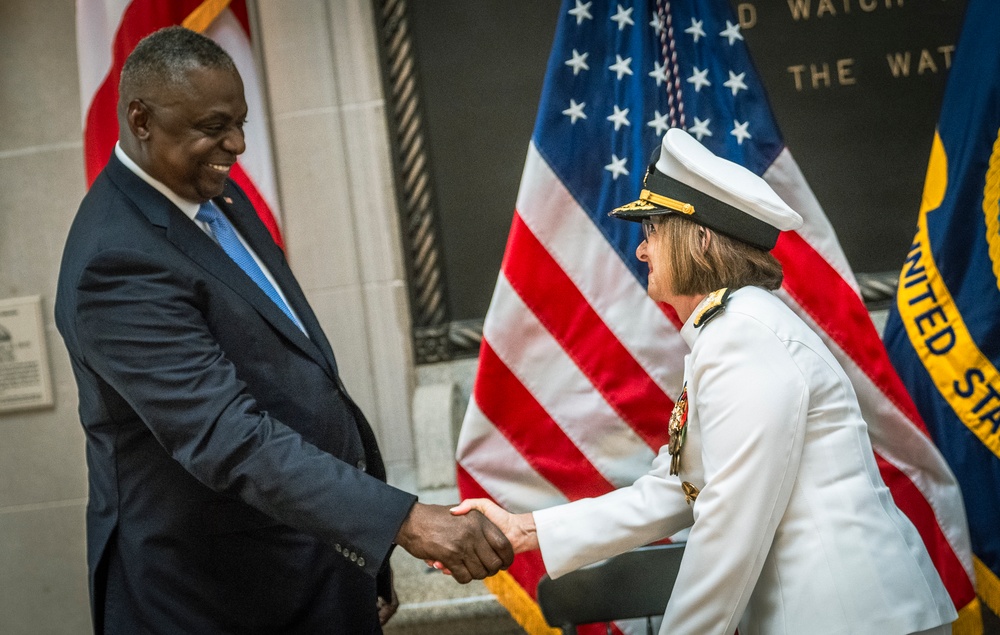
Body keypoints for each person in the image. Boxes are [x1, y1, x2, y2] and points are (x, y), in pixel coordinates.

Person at [55, 26, 512, 634]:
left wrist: (361, 557)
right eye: (215, 127)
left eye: (241, 123)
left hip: (312, 569)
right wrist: (402, 520)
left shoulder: (215, 195)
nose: (237, 144)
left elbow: (299, 378)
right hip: (212, 599)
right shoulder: (115, 263)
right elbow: (227, 436)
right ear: (141, 119)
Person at [449, 128, 958, 634]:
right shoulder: (733, 330)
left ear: (699, 239)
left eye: (651, 232)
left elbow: (730, 522)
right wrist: (524, 528)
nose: (642, 252)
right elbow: (677, 490)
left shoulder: (744, 337)